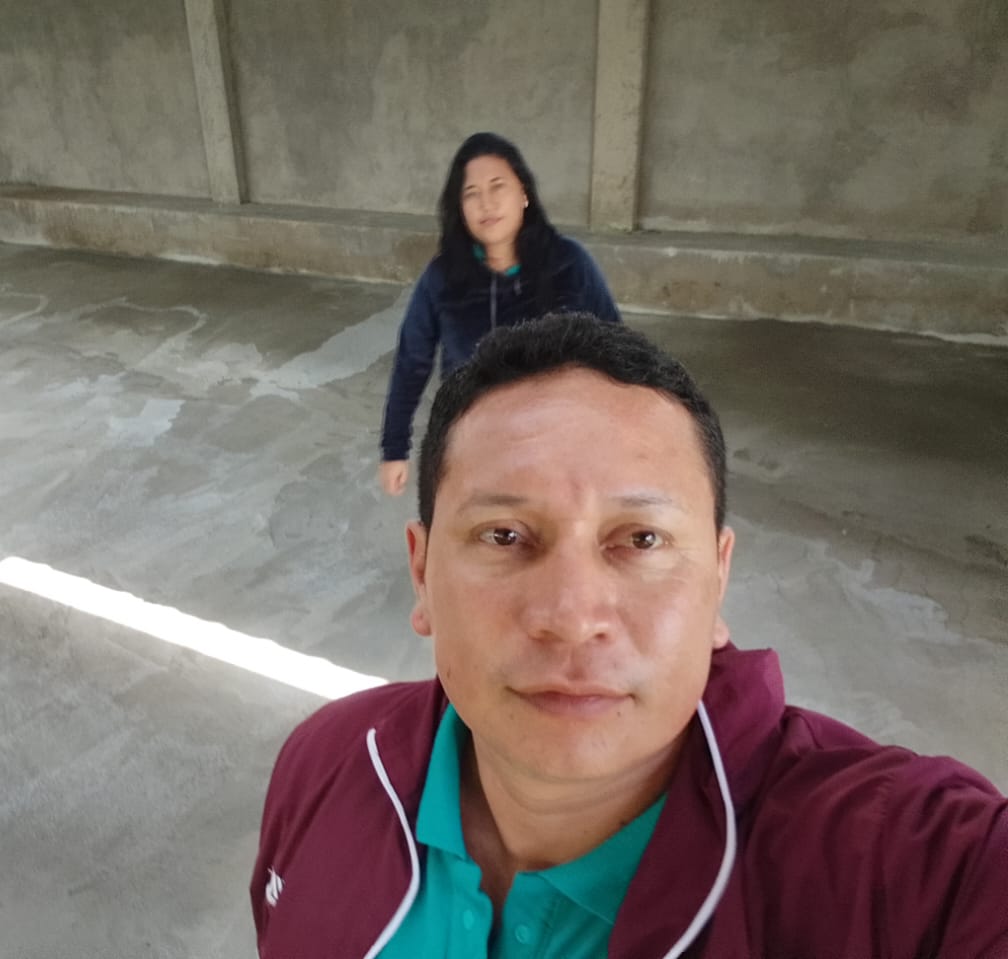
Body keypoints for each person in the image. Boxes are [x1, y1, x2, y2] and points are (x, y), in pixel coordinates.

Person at [253, 314, 1008, 958]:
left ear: (717, 579)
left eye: (641, 539)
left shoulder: (915, 868)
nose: (572, 615)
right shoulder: (327, 761)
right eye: (505, 534)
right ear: (422, 573)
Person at [377, 132, 621, 497]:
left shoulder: (569, 263)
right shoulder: (443, 277)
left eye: (497, 186)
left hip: (560, 446)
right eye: (471, 193)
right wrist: (394, 449)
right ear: (460, 209)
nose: (486, 203)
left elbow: (616, 348)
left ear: (523, 194)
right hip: (475, 446)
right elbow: (412, 360)